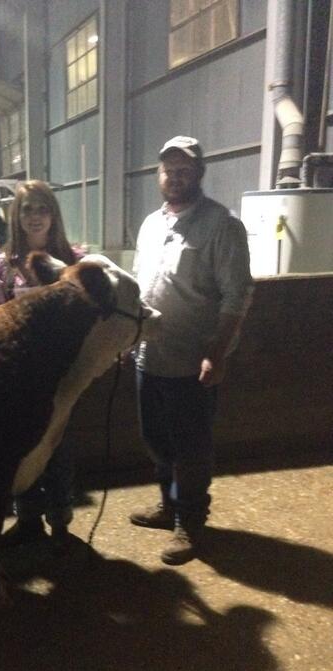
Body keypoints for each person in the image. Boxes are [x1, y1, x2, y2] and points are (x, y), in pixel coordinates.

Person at [129, 135, 253, 566]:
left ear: (199, 173)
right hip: (149, 358)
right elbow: (139, 289)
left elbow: (236, 296)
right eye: (168, 169)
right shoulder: (150, 224)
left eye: (184, 170)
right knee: (155, 439)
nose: (175, 176)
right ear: (159, 174)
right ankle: (168, 505)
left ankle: (189, 521)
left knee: (191, 447)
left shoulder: (222, 225)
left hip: (191, 362)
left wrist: (217, 353)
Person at [0, 179, 84, 549]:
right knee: (23, 450)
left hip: (60, 376)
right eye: (27, 209)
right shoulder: (3, 266)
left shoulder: (72, 260)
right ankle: (28, 517)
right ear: (17, 215)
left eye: (42, 208)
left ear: (53, 214)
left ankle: (60, 519)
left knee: (58, 448)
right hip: (18, 377)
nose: (34, 216)